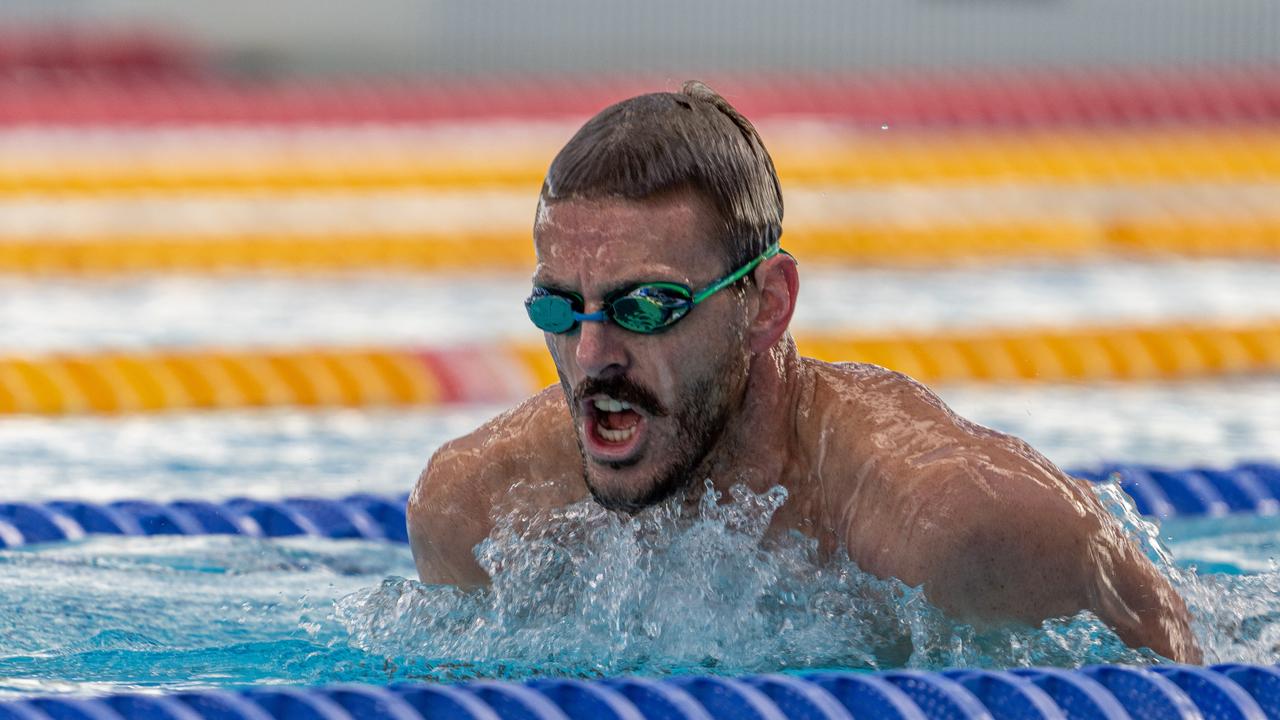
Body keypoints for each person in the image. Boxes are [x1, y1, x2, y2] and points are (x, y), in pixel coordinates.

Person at [407, 81, 1201, 663]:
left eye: (645, 306)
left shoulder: (950, 524)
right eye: (559, 310)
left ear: (766, 303)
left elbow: (1181, 663)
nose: (590, 357)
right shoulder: (477, 511)